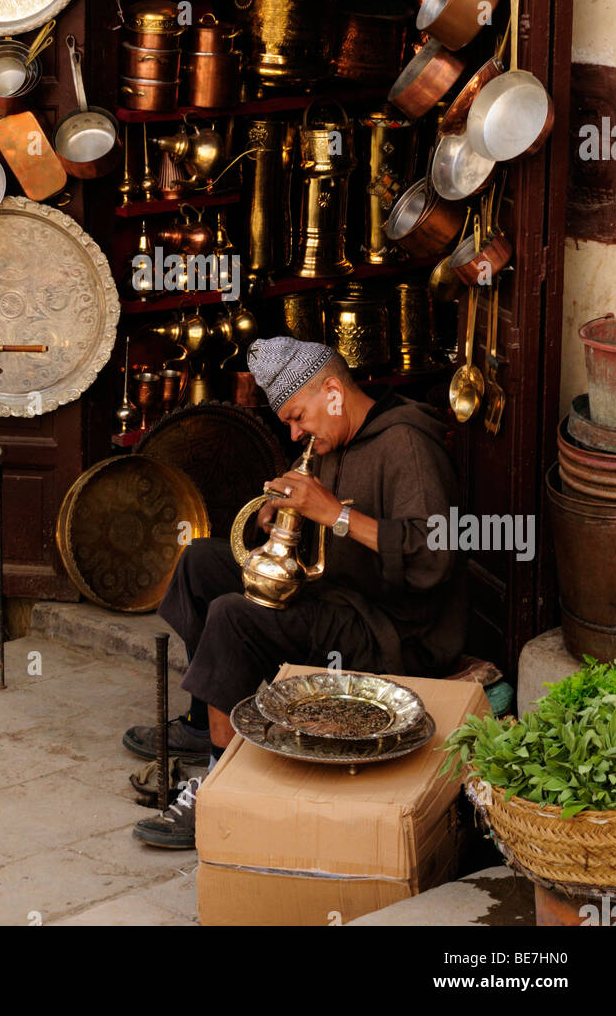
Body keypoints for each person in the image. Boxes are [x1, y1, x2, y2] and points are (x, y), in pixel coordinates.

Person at [128, 336, 467, 849]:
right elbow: (324, 534)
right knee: (201, 563)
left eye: (296, 416)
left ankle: (220, 788)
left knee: (232, 615)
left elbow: (435, 553)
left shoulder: (407, 445)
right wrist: (284, 517)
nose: (293, 432)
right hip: (335, 594)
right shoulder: (332, 438)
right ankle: (205, 721)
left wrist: (334, 514)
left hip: (389, 627)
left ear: (332, 391)